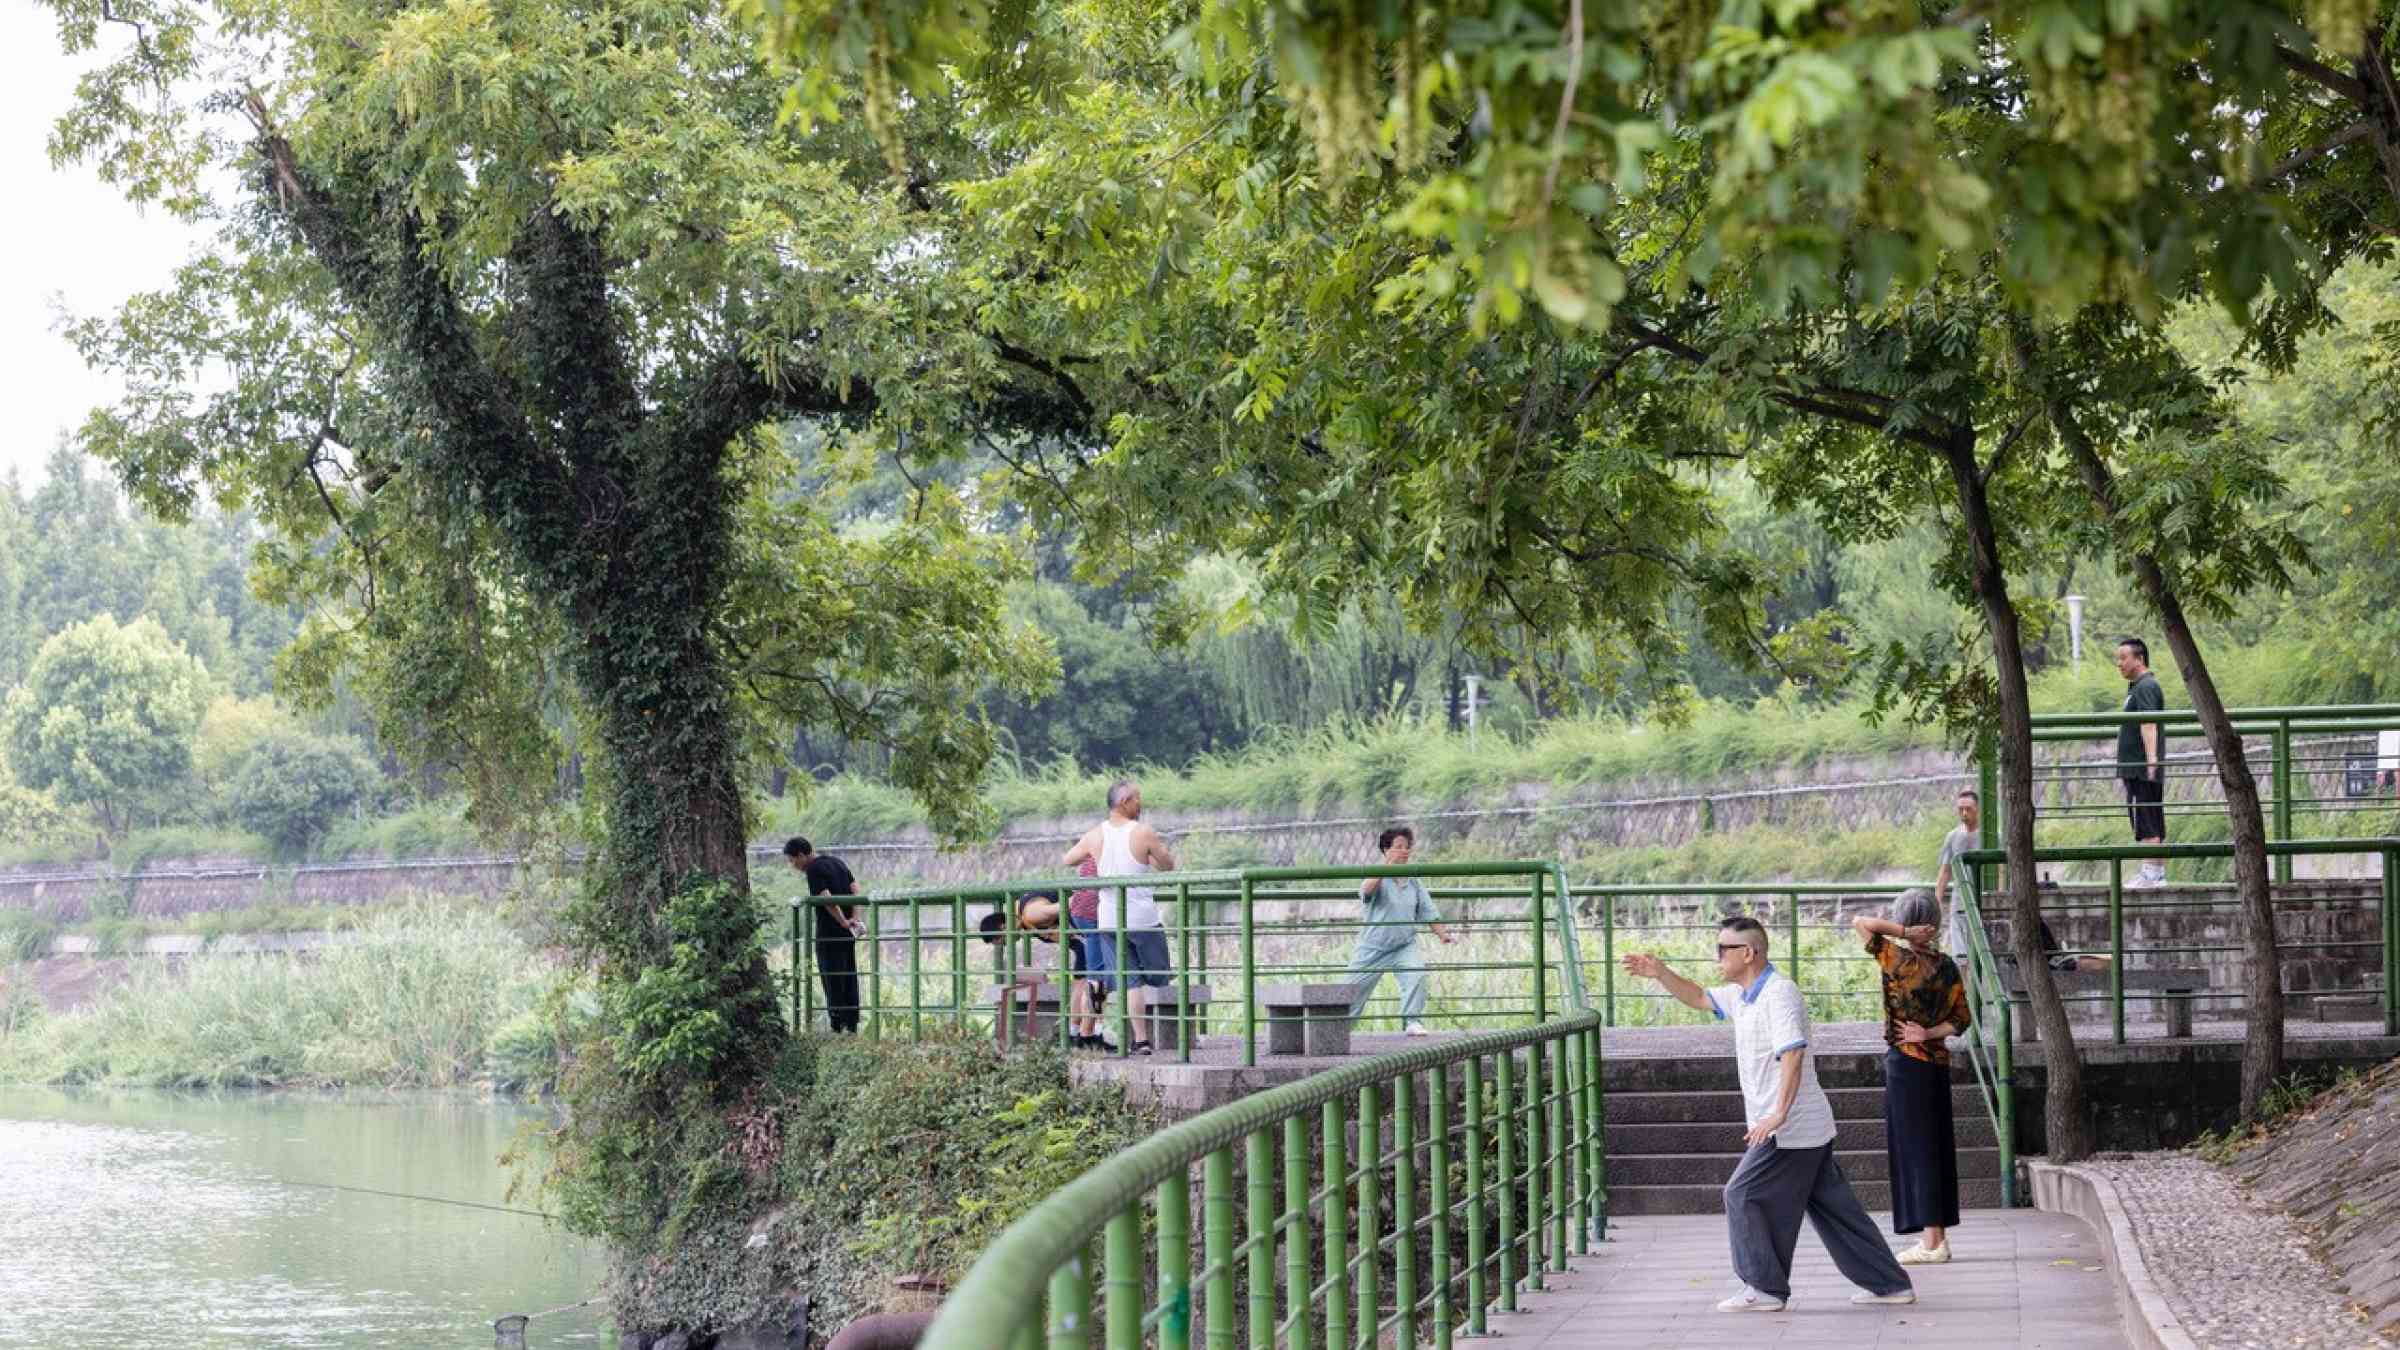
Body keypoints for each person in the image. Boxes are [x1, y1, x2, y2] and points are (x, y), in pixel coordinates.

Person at [1620, 916, 1915, 1314]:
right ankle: (1889, 1284)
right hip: (1804, 1126)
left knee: (1741, 1194)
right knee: (1836, 1210)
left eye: (1723, 949)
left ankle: (1764, 1287)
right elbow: (1697, 997)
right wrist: (1660, 973)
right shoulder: (1743, 996)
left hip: (1791, 1128)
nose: (1717, 955)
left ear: (1748, 953)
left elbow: (1792, 1052)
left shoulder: (1779, 994)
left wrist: (1778, 1113)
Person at [1851, 888, 1972, 1266]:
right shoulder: (1947, 965)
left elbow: (1860, 922)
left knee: (1915, 1150)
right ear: (1935, 924)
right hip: (1936, 1064)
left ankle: (1932, 1242)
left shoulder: (1897, 959)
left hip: (1906, 1063)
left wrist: (1903, 932)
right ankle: (1936, 1237)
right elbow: (1962, 1019)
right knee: (1934, 1147)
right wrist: (1931, 1034)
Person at [1062, 780, 1177, 1056]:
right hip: (1127, 919)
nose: (1141, 803)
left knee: (1107, 978)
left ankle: (1089, 1031)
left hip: (1102, 920)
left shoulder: (1094, 836)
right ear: (1125, 800)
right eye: (1138, 798)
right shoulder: (1141, 832)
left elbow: (1069, 859)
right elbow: (1168, 865)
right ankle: (1088, 1032)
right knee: (1097, 978)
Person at [1346, 826, 1455, 1035]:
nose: (1404, 851)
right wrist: (1386, 866)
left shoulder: (1413, 880)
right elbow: (1366, 891)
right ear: (1386, 850)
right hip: (1372, 947)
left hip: (1404, 945)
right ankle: (1338, 1031)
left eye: (1407, 847)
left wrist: (1442, 933)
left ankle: (1412, 1021)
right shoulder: (1377, 876)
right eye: (1398, 847)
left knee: (1417, 975)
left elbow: (1427, 909)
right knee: (1351, 991)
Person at [977, 890, 1106, 1049]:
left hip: (1090, 931)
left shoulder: (1031, 914)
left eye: (1002, 941)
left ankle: (1088, 1034)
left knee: (1093, 983)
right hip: (1082, 941)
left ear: (1003, 927)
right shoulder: (1023, 919)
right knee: (1084, 983)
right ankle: (1079, 1034)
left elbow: (1071, 902)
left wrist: (1097, 897)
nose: (1006, 944)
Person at [786, 836, 864, 1033]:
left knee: (831, 977)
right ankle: (852, 1023)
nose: (792, 865)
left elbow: (825, 897)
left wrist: (842, 921)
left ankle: (838, 1025)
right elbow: (855, 888)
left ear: (802, 855)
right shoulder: (837, 862)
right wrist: (853, 917)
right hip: (847, 933)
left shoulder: (813, 869)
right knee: (848, 974)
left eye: (792, 860)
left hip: (829, 932)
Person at [2116, 637, 2168, 888]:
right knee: (2149, 818)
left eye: (2123, 658)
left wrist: (2151, 761)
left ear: (2139, 658)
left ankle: (2151, 874)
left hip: (2141, 768)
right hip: (2138, 767)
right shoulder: (2137, 686)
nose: (2119, 663)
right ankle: (2155, 873)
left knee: (2147, 819)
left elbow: (2149, 722)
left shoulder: (2146, 686)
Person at [1932, 789, 1981, 956]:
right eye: (1960, 809)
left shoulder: (1990, 835)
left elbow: (2001, 869)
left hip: (1984, 897)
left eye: (1968, 809)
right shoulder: (1952, 837)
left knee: (1982, 945)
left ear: (1978, 809)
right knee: (1960, 951)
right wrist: (1936, 901)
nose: (1964, 813)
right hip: (1960, 898)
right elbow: (1945, 871)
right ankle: (1964, 979)